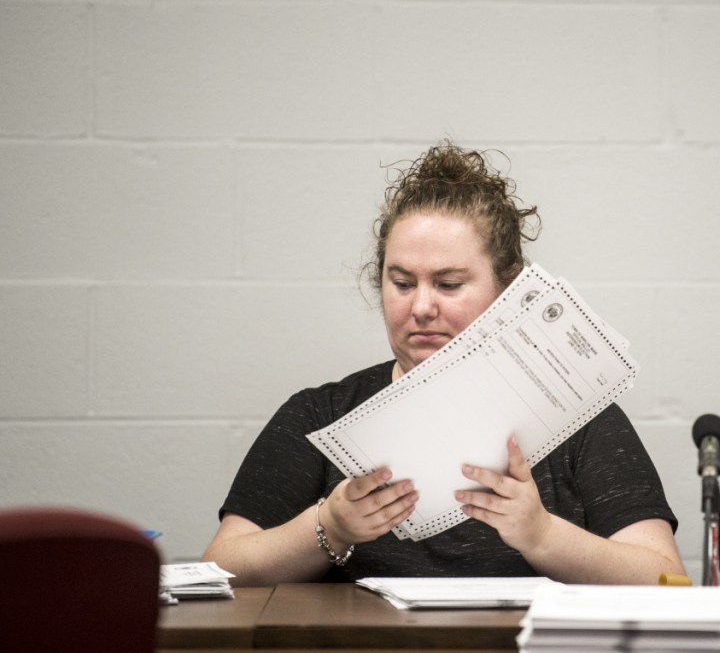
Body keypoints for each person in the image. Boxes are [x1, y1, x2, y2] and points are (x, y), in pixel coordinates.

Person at [202, 140, 685, 587]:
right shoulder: (320, 414)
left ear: (506, 289)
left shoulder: (581, 420)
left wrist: (541, 536)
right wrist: (329, 526)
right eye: (403, 282)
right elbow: (221, 567)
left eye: (449, 284)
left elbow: (666, 579)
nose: (422, 307)